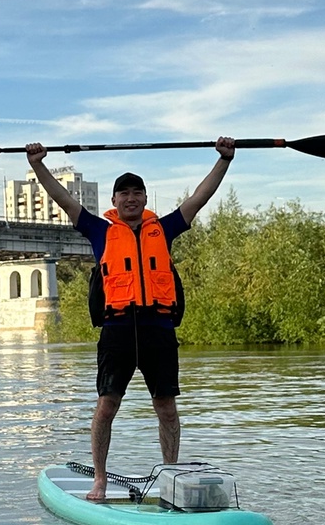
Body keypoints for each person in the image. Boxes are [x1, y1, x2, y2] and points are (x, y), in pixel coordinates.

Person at [25, 140, 236, 500]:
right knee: (107, 406)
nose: (131, 198)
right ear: (114, 201)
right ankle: (100, 480)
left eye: (137, 192)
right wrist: (38, 165)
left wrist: (224, 159)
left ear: (145, 200)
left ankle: (169, 477)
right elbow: (63, 200)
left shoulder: (165, 228)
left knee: (166, 408)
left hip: (158, 329)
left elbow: (200, 197)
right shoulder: (99, 231)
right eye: (124, 193)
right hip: (117, 331)